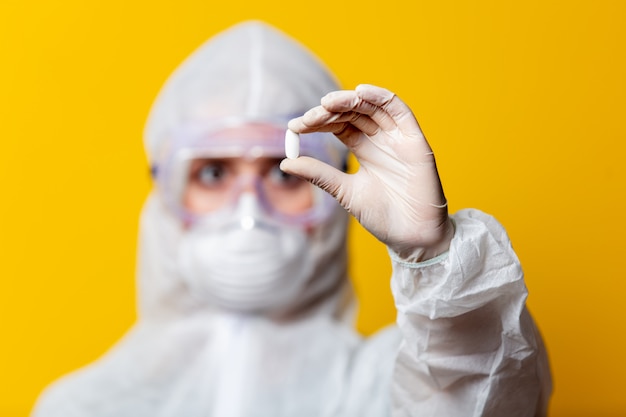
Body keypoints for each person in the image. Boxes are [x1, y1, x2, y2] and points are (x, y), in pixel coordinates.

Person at [32, 20, 552, 417]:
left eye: (285, 174)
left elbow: (482, 392)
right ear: (166, 194)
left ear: (337, 193)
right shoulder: (81, 405)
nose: (247, 208)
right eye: (213, 172)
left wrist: (436, 256)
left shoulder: (392, 385)